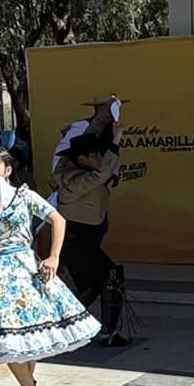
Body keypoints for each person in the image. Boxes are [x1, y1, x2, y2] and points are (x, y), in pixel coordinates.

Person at [0, 147, 99, 386]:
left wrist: (54, 257)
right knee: (10, 342)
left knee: (27, 338)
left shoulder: (25, 196)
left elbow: (57, 219)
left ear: (7, 170)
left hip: (26, 270)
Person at [51, 97, 134, 347]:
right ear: (84, 159)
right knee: (109, 274)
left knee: (98, 281)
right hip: (73, 239)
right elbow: (103, 173)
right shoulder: (72, 180)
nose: (100, 158)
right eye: (96, 155)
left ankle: (66, 325)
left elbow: (92, 133)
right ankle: (97, 331)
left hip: (85, 236)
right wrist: (117, 140)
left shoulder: (79, 160)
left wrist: (105, 113)